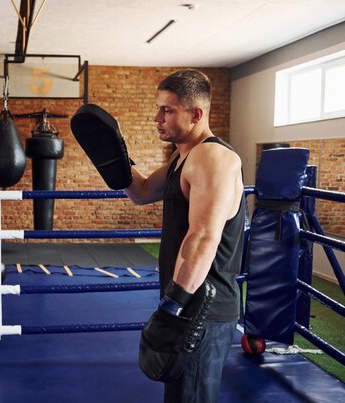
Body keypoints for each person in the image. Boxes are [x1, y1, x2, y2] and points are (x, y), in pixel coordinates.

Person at [71, 69, 245, 403]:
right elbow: (141, 191)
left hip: (201, 310)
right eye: (158, 108)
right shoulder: (185, 156)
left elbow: (204, 236)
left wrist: (172, 307)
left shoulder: (213, 157)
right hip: (188, 305)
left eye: (167, 110)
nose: (156, 117)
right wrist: (112, 157)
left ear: (195, 114)